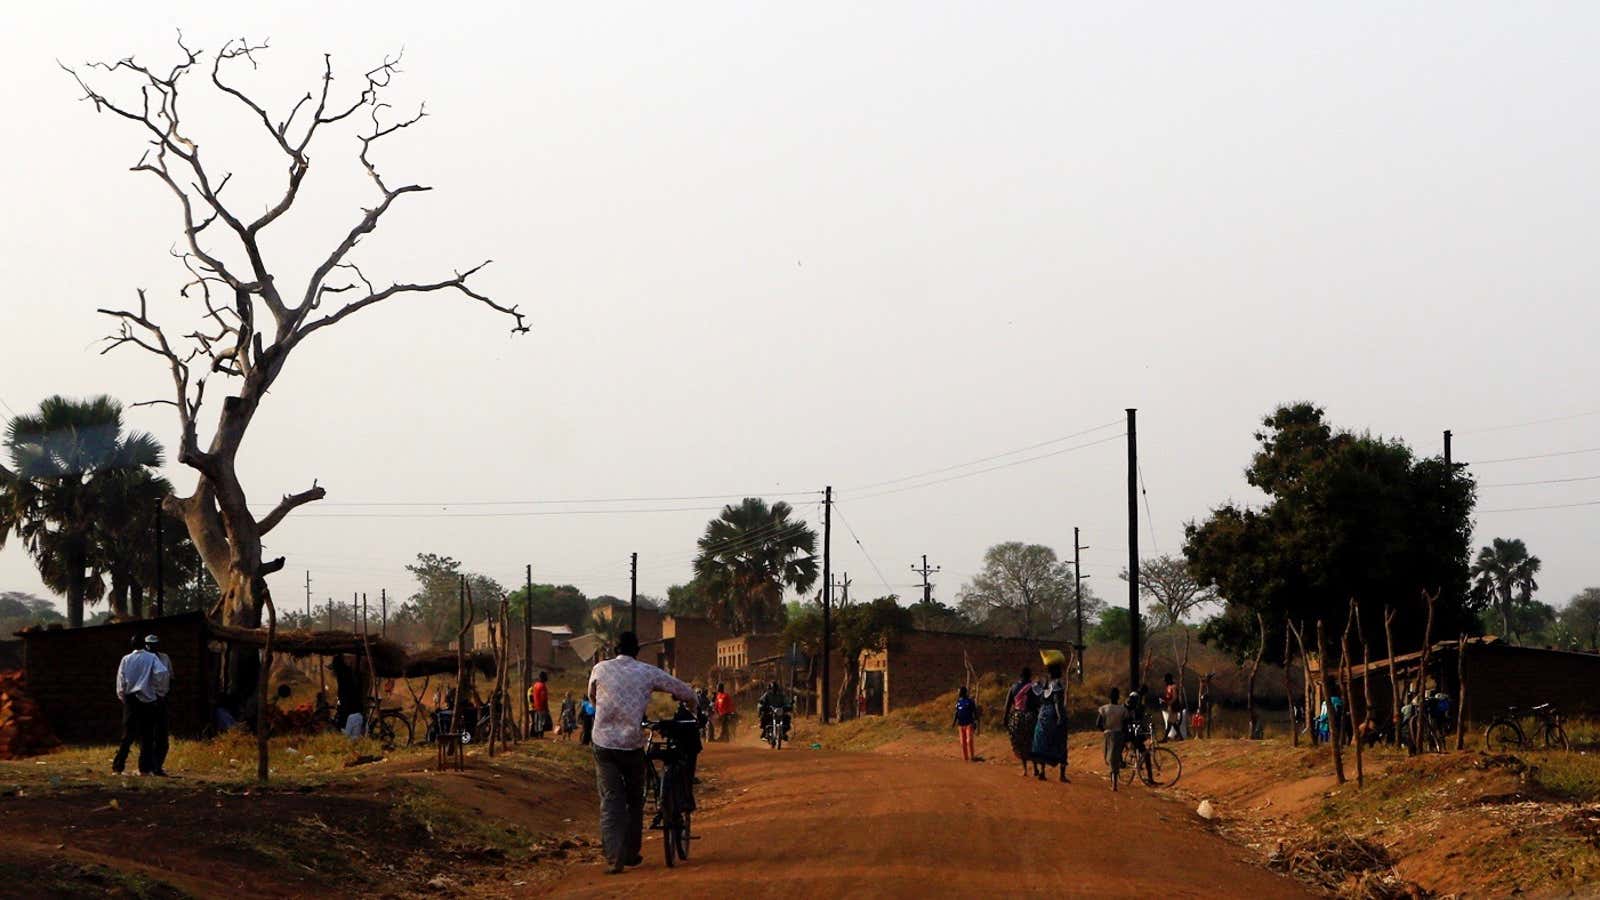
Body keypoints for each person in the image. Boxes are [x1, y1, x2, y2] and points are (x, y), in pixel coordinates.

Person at [587, 631, 697, 875]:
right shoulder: (647, 672)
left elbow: (592, 698)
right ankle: (631, 853)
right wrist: (693, 705)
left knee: (611, 800)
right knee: (634, 799)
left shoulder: (599, 669)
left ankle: (614, 858)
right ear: (636, 651)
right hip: (632, 744)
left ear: (615, 649)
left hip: (603, 743)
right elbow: (684, 691)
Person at [1031, 653, 1069, 782]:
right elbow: (1058, 704)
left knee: (1042, 744)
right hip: (1053, 717)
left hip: (1042, 717)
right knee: (1061, 744)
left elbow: (1037, 698)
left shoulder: (1042, 687)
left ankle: (1042, 772)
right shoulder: (1057, 686)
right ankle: (1062, 775)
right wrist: (1061, 718)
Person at [1005, 665, 1038, 777]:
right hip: (1031, 718)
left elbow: (1007, 706)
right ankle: (1035, 768)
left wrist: (1005, 720)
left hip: (1016, 719)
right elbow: (1038, 702)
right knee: (1032, 742)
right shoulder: (1033, 687)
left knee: (1020, 743)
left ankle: (1025, 770)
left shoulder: (1013, 688)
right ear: (1029, 676)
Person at [146, 635, 172, 775]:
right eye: (149, 644)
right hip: (148, 699)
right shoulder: (144, 659)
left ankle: (157, 766)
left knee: (162, 736)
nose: (151, 647)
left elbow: (170, 677)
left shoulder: (164, 658)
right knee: (150, 735)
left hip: (162, 698)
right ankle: (149, 766)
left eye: (154, 644)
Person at [1096, 687, 1130, 788]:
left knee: (1109, 758)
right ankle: (1115, 779)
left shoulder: (1104, 709)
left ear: (1109, 697)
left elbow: (1098, 723)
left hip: (1108, 734)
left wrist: (1105, 730)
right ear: (1118, 697)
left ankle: (1114, 782)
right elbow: (1126, 724)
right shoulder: (1122, 710)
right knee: (1115, 757)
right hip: (1119, 735)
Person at [953, 685, 979, 762]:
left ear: (963, 692)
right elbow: (957, 713)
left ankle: (972, 757)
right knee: (962, 743)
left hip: (969, 723)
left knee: (969, 740)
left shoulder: (970, 701)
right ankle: (965, 759)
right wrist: (954, 722)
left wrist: (976, 721)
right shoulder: (958, 702)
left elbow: (975, 712)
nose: (958, 692)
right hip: (960, 724)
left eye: (959, 691)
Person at [529, 671, 551, 738]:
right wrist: (546, 708)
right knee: (542, 722)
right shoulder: (543, 686)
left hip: (536, 706)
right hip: (542, 707)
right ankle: (540, 735)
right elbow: (543, 698)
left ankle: (536, 734)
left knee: (537, 721)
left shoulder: (535, 685)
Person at [1161, 673, 1181, 741]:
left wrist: (1169, 702)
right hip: (1170, 706)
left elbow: (1175, 697)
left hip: (1174, 706)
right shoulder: (1168, 687)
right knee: (1173, 722)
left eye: (1166, 680)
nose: (1165, 682)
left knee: (1170, 722)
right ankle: (1180, 736)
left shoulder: (1173, 686)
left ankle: (1165, 738)